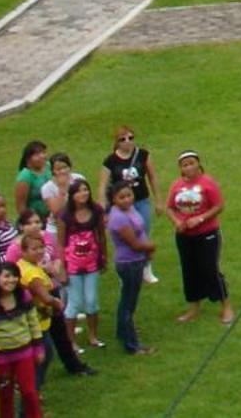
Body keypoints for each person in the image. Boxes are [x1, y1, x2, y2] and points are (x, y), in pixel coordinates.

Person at [10, 225, 90, 383]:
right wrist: (57, 303)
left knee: (53, 345)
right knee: (44, 352)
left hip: (42, 314)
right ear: (24, 251)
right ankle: (31, 386)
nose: (39, 251)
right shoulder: (31, 273)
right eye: (34, 249)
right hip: (42, 315)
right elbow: (45, 297)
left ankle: (34, 383)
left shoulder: (27, 265)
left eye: (41, 247)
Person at [166, 152, 233, 325]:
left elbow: (219, 206)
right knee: (189, 271)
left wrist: (201, 218)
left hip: (207, 233)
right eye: (184, 165)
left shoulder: (207, 183)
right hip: (184, 235)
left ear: (198, 164)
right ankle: (194, 307)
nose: (188, 167)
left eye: (191, 163)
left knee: (210, 269)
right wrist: (177, 222)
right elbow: (170, 208)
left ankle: (225, 305)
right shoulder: (177, 185)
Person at [0, 263, 42, 418]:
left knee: (29, 394)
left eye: (14, 276)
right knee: (5, 397)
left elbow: (33, 322)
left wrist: (38, 348)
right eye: (6, 276)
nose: (11, 280)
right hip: (1, 359)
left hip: (25, 354)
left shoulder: (24, 297)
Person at [98, 127, 158, 286]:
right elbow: (102, 185)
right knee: (123, 237)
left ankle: (146, 269)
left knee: (143, 232)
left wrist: (158, 200)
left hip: (141, 200)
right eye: (123, 139)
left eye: (130, 137)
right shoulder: (110, 161)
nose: (128, 142)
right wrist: (103, 207)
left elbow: (152, 178)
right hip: (121, 206)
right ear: (116, 142)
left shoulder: (143, 155)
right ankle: (124, 269)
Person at [54, 178, 105, 351]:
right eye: (78, 191)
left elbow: (101, 235)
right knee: (74, 303)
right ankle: (71, 342)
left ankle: (93, 336)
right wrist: (62, 268)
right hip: (72, 266)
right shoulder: (65, 216)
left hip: (92, 263)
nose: (83, 194)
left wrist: (103, 257)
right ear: (72, 195)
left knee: (92, 300)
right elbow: (60, 244)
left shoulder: (96, 210)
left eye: (85, 190)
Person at [104, 186, 152, 357]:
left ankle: (122, 332)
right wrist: (151, 247)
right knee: (128, 304)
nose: (127, 200)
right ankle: (132, 345)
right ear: (114, 200)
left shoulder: (129, 209)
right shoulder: (118, 218)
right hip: (130, 262)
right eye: (121, 197)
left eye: (129, 195)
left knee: (126, 299)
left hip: (136, 261)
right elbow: (135, 244)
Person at [8, 148, 46, 225]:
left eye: (43, 152)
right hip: (35, 221)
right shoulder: (25, 177)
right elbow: (20, 207)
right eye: (37, 154)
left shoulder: (48, 166)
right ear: (28, 159)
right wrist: (30, 223)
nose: (42, 156)